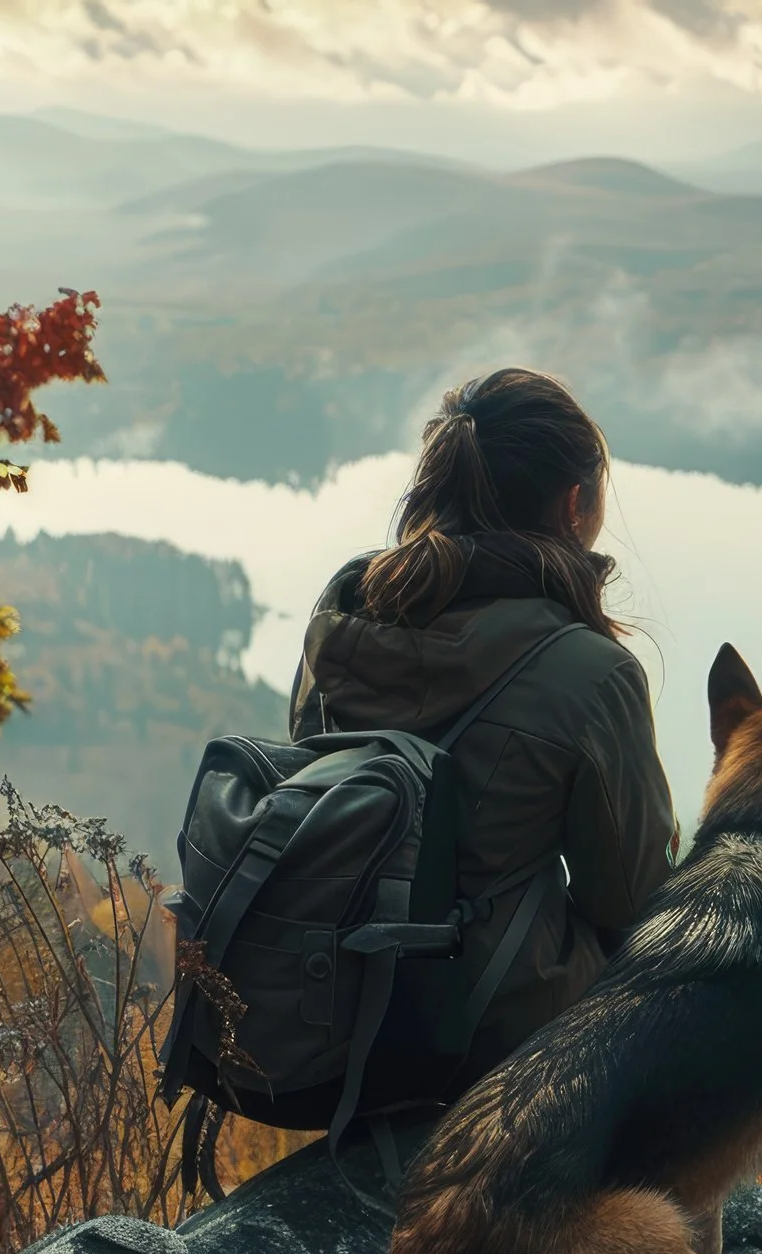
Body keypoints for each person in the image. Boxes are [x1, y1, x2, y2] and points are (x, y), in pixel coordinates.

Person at [288, 367, 676, 1096]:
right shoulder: (590, 671)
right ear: (574, 506)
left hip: (334, 1004)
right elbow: (631, 901)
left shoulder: (343, 611)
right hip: (498, 1040)